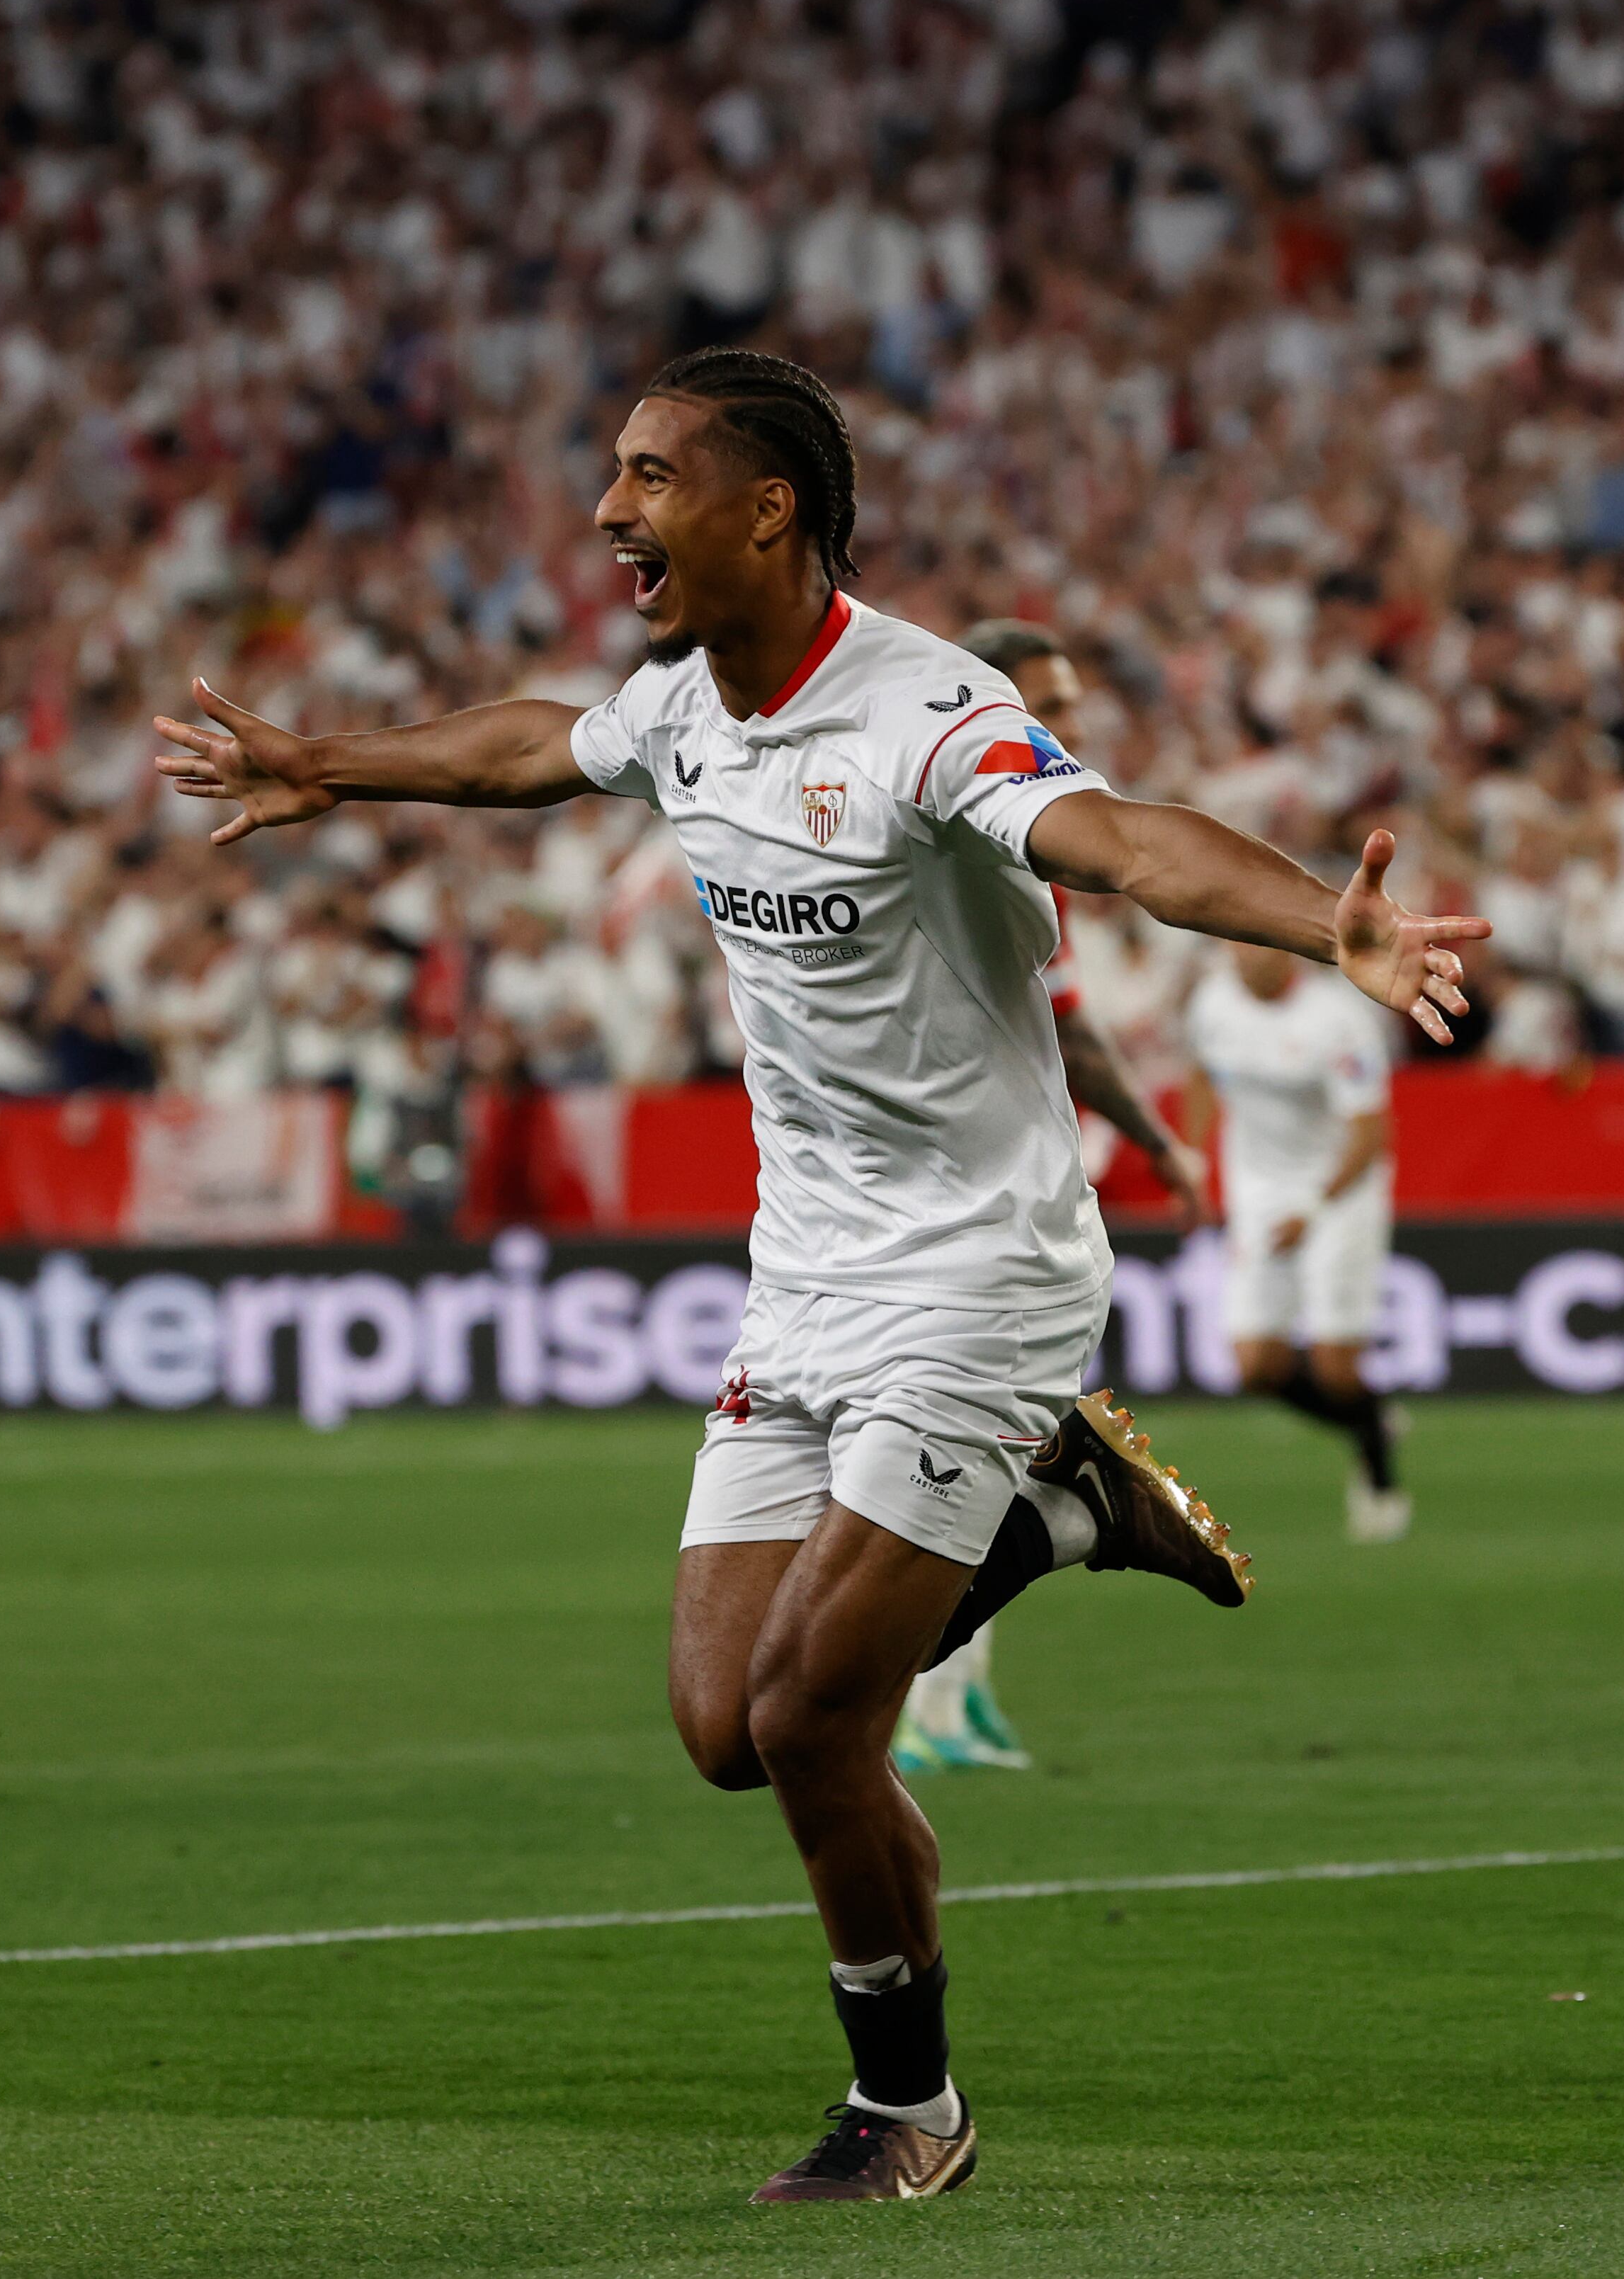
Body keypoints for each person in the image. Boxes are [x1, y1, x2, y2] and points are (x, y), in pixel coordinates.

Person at [157, 347, 1480, 2203]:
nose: (610, 510)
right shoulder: (687, 703)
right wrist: (334, 766)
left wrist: (1312, 919)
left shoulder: (929, 707)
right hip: (807, 1282)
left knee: (812, 1719)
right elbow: (537, 744)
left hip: (980, 1272)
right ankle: (1073, 1515)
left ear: (763, 506)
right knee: (727, 1724)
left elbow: (1118, 841)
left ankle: (906, 2110)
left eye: (644, 475)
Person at [890, 618, 1219, 1775]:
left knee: (942, 1461)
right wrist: (1160, 1142)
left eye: (1073, 706)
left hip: (976, 1209)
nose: (1070, 728)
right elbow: (1071, 1035)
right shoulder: (969, 833)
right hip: (934, 1201)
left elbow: (1067, 1028)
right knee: (941, 1463)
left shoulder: (1010, 848)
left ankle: (941, 1699)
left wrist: (1156, 1142)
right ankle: (957, 1675)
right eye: (1049, 704)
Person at [1184, 939, 1407, 1540]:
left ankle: (1379, 1470)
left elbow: (1369, 1133)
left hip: (1338, 1192)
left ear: (1285, 954)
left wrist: (1311, 1208)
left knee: (1335, 1368)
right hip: (1258, 1194)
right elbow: (1201, 1073)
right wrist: (1190, 1158)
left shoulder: (1337, 1020)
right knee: (1256, 1364)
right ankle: (1374, 1418)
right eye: (1233, 944)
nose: (1241, 955)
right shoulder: (1212, 1003)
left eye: (1252, 945)